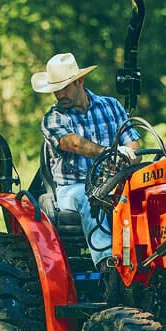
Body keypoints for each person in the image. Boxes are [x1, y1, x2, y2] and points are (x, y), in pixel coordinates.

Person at [32, 52, 139, 269]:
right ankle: (108, 266)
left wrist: (129, 154)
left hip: (115, 182)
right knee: (90, 198)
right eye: (55, 89)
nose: (59, 94)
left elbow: (132, 142)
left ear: (80, 81)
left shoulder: (111, 106)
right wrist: (110, 153)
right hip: (72, 188)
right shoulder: (53, 118)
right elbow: (74, 143)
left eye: (65, 87)